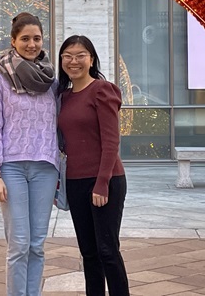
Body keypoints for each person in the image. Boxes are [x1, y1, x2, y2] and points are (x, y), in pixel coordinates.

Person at [0, 12, 60, 296]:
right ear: (13, 41)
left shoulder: (51, 80)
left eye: (36, 38)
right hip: (10, 168)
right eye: (25, 38)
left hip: (45, 168)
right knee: (19, 244)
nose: (32, 44)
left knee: (37, 244)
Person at [57, 35, 129, 296]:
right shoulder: (63, 96)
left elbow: (111, 141)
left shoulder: (101, 89)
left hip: (105, 180)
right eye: (67, 56)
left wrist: (102, 184)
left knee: (107, 250)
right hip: (75, 182)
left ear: (91, 59)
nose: (73, 61)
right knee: (88, 252)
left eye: (80, 55)